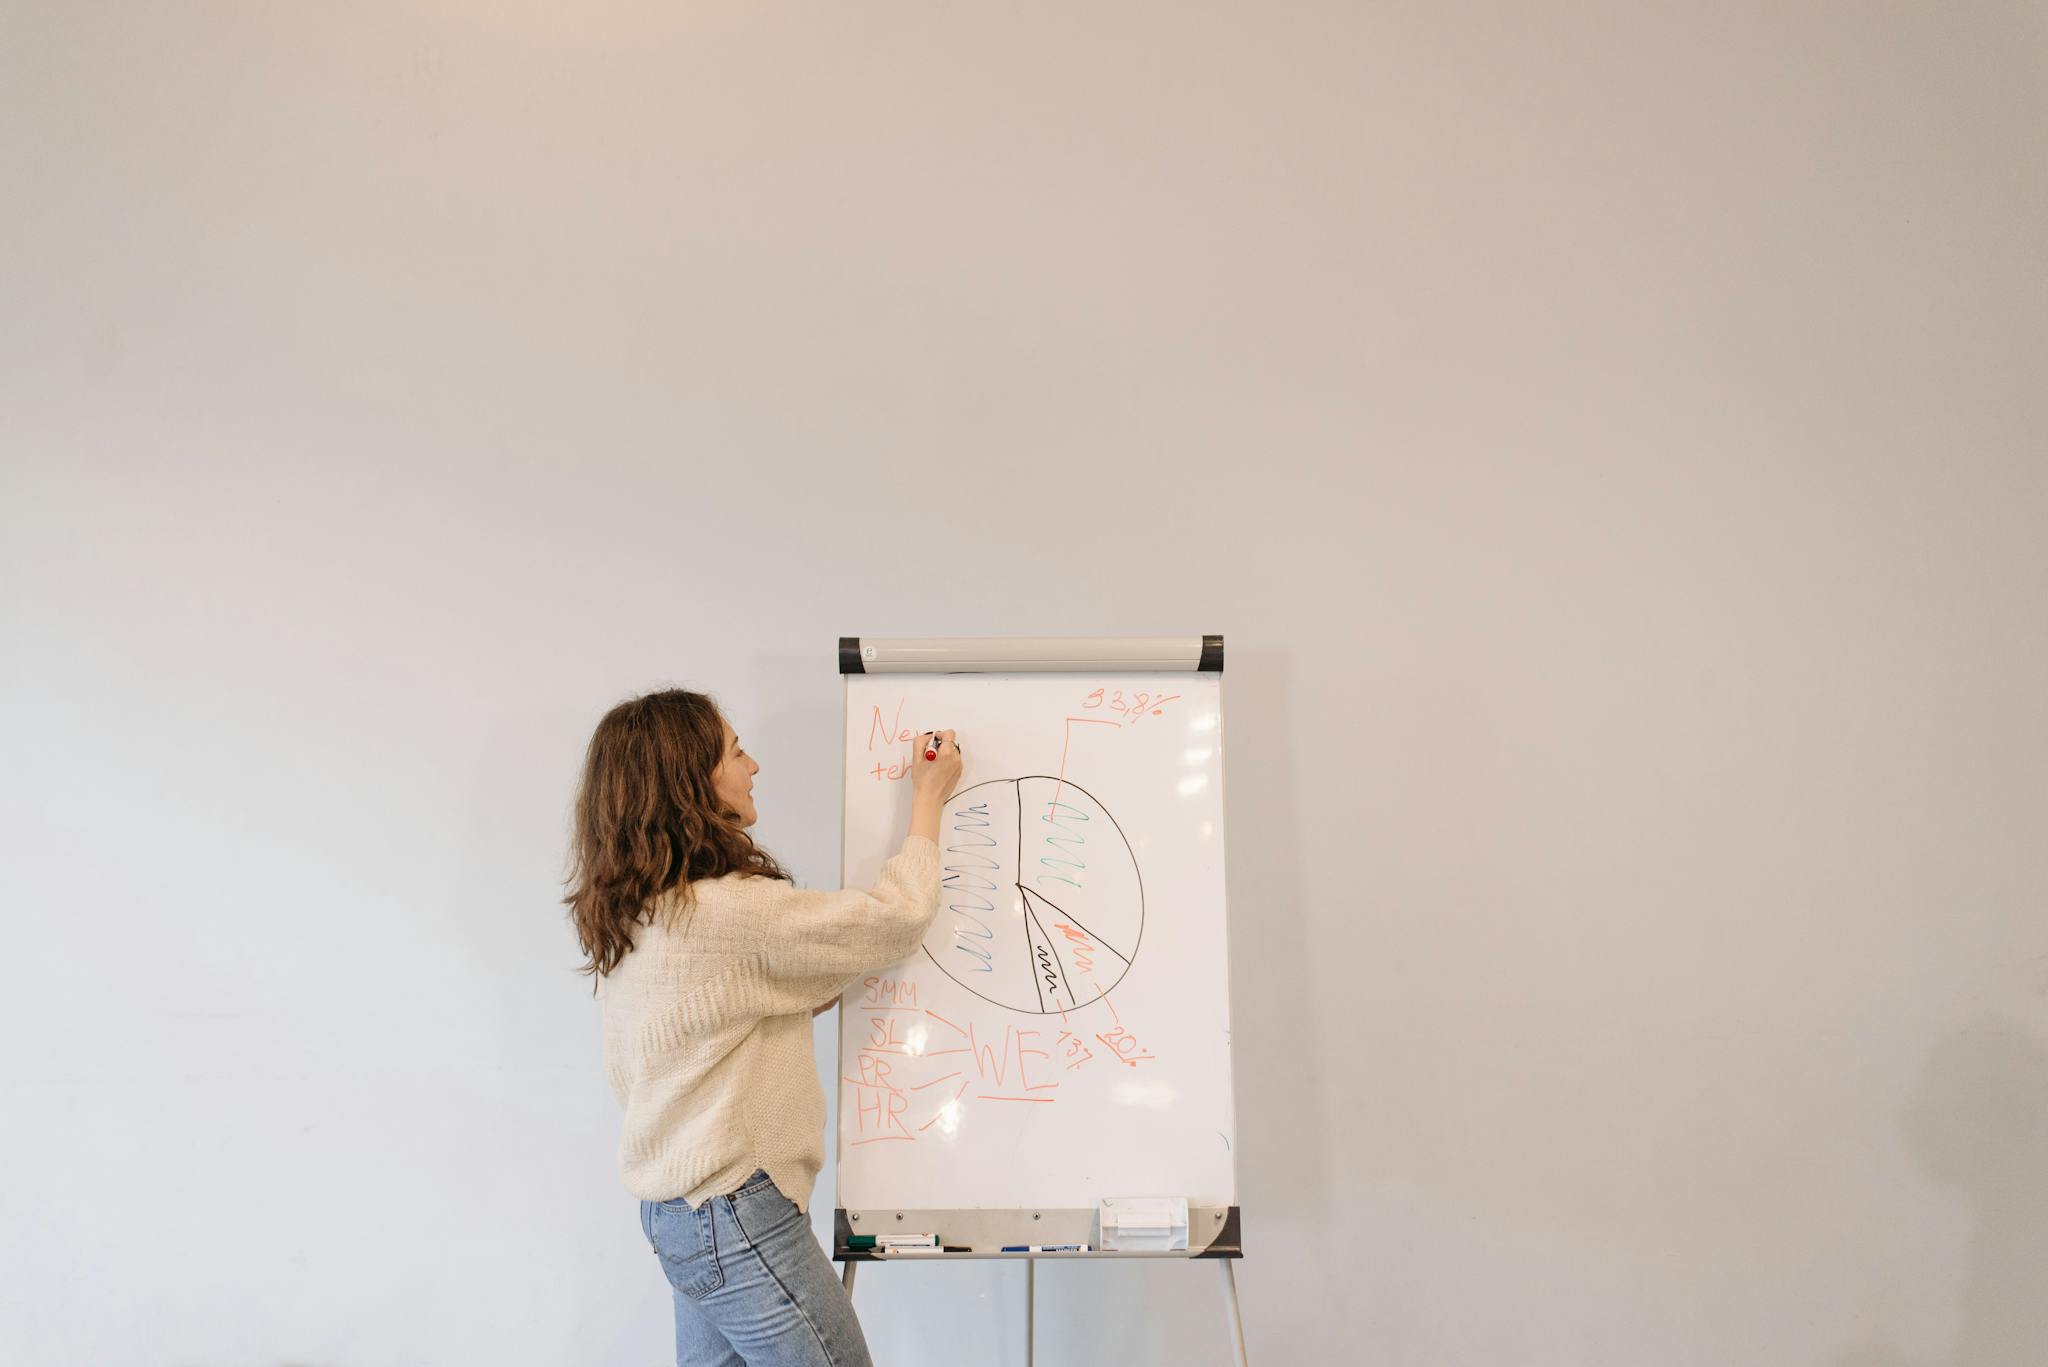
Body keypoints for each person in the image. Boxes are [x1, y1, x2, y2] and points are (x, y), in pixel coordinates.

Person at [564, 688, 960, 1367]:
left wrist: (803, 993)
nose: (754, 765)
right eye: (735, 751)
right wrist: (929, 797)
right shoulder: (726, 914)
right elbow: (898, 917)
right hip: (737, 1214)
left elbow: (709, 1023)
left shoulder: (642, 914)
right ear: (692, 782)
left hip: (681, 1215)